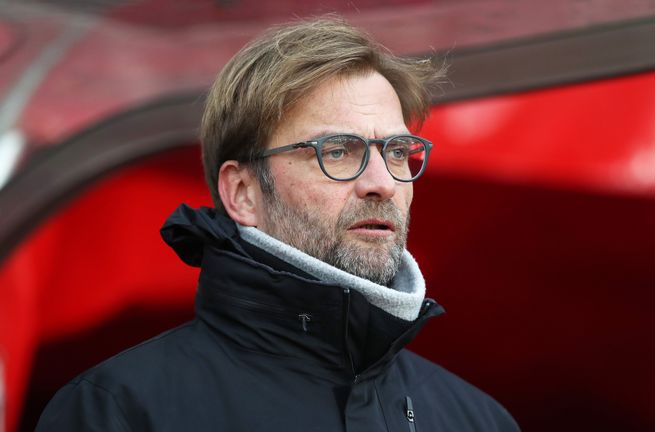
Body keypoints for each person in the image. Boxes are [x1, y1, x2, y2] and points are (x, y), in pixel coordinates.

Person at [36, 18, 520, 431]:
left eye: (396, 152)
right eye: (337, 151)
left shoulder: (478, 419)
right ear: (243, 193)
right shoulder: (117, 411)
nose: (383, 183)